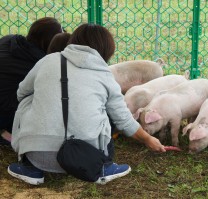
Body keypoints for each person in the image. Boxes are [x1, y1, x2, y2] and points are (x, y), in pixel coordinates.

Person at [8, 23, 166, 185]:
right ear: (106, 49)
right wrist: (148, 139)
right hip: (87, 157)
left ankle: (30, 167)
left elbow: (21, 92)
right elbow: (123, 119)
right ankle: (104, 166)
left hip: (37, 154)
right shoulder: (105, 73)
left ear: (73, 40)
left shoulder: (47, 61)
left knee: (28, 99)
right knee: (105, 109)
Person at [0, 17, 63, 146]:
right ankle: (9, 133)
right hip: (5, 113)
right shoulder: (41, 64)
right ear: (50, 42)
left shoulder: (9, 40)